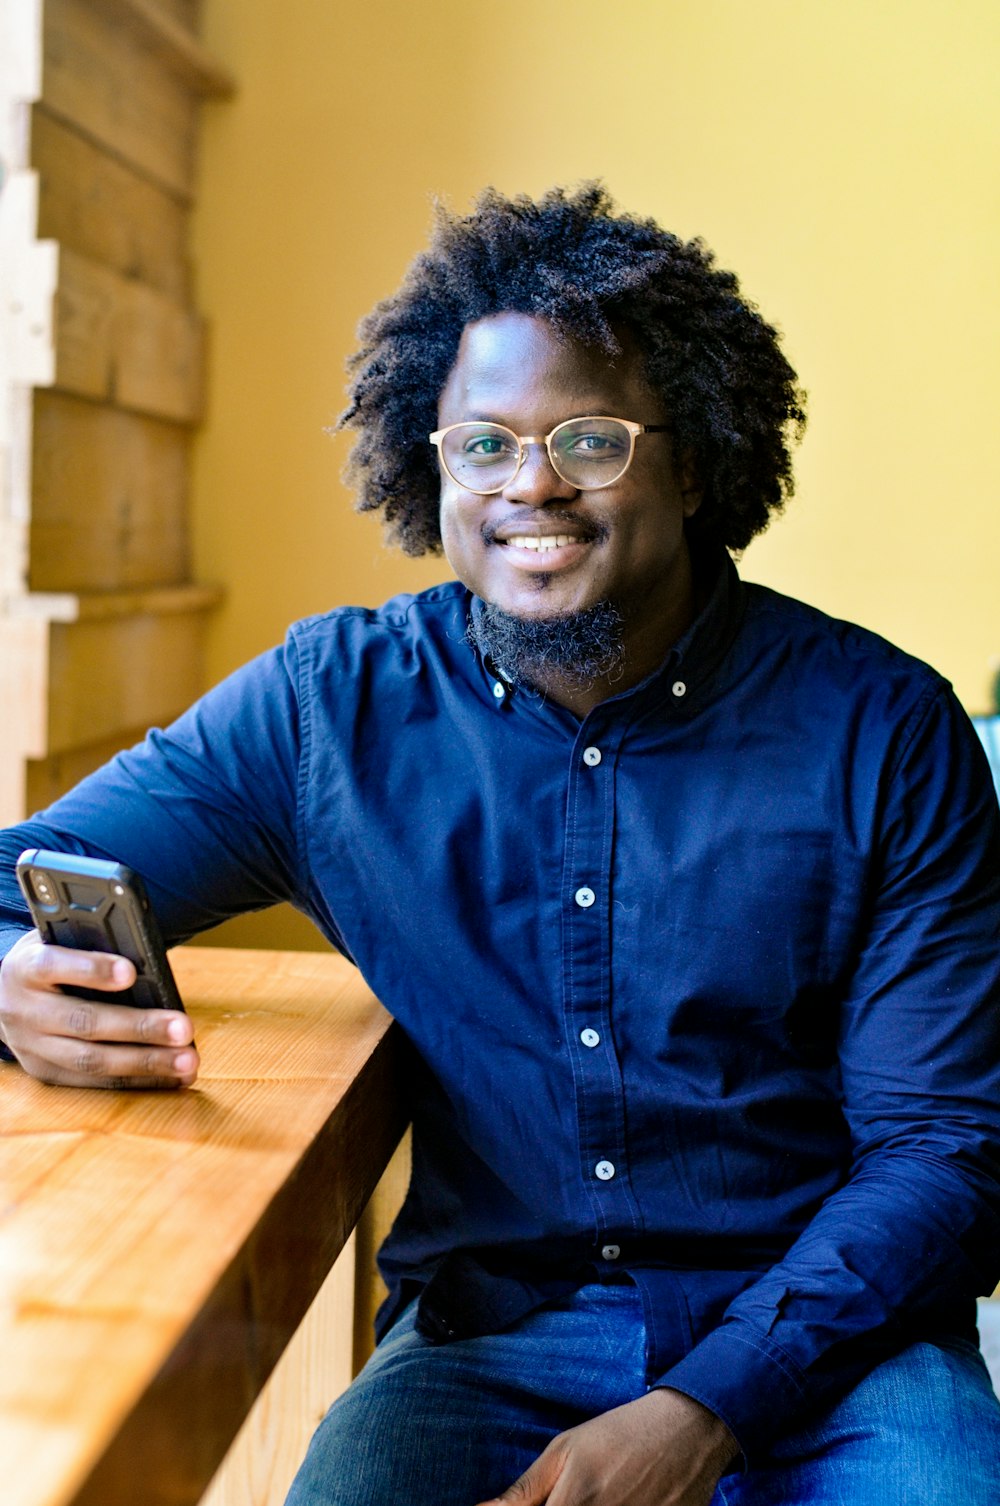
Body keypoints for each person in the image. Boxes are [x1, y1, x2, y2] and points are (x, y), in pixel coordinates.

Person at [1, 184, 1000, 1506]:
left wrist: (699, 1411)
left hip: (833, 1344)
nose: (531, 484)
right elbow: (29, 871)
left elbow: (949, 1152)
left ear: (693, 459)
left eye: (590, 440)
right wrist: (15, 978)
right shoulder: (331, 710)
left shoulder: (883, 728)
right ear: (435, 465)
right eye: (484, 444)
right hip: (488, 1340)